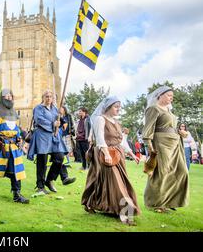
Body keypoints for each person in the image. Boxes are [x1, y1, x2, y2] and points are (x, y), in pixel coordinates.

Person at [82, 96, 140, 225]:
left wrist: (132, 153)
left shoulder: (116, 122)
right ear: (108, 107)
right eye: (116, 107)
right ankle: (125, 214)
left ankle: (90, 203)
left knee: (100, 181)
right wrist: (106, 153)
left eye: (119, 107)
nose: (118, 109)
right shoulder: (100, 119)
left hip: (117, 154)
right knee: (116, 183)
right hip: (105, 153)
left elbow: (121, 141)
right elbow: (100, 138)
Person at [143, 86, 189, 213]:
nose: (171, 98)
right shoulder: (153, 108)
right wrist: (150, 147)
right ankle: (156, 203)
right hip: (161, 143)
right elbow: (148, 128)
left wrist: (181, 132)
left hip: (175, 143)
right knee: (161, 173)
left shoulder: (169, 110)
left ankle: (170, 201)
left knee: (181, 171)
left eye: (172, 96)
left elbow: (170, 126)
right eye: (169, 95)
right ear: (160, 95)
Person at [27, 90, 76, 194]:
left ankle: (49, 180)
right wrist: (53, 123)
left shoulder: (54, 108)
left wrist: (62, 121)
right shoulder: (38, 108)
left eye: (51, 97)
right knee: (42, 162)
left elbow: (58, 118)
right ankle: (40, 186)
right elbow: (39, 120)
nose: (49, 98)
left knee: (59, 157)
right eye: (47, 96)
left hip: (53, 137)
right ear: (43, 97)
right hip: (42, 136)